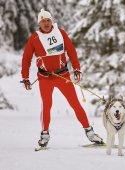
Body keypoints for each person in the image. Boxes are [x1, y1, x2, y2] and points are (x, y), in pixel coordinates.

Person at [21, 9, 103, 147]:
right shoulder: (34, 38)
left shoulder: (60, 33)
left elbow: (71, 51)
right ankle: (45, 135)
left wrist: (76, 69)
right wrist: (25, 77)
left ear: (51, 21)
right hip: (45, 78)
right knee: (46, 106)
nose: (46, 23)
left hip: (62, 75)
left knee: (75, 104)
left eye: (48, 20)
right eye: (43, 21)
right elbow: (26, 59)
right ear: (39, 23)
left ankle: (90, 133)